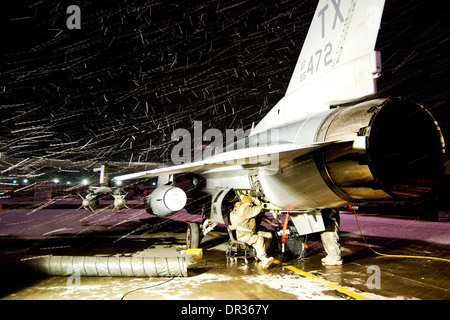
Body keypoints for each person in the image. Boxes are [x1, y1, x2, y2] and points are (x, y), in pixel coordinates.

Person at [229, 196, 274, 269]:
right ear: (245, 203)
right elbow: (253, 211)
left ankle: (260, 252)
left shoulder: (247, 208)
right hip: (243, 235)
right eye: (250, 203)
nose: (251, 205)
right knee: (258, 238)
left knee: (269, 235)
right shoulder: (243, 209)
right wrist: (262, 205)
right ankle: (263, 258)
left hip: (251, 233)